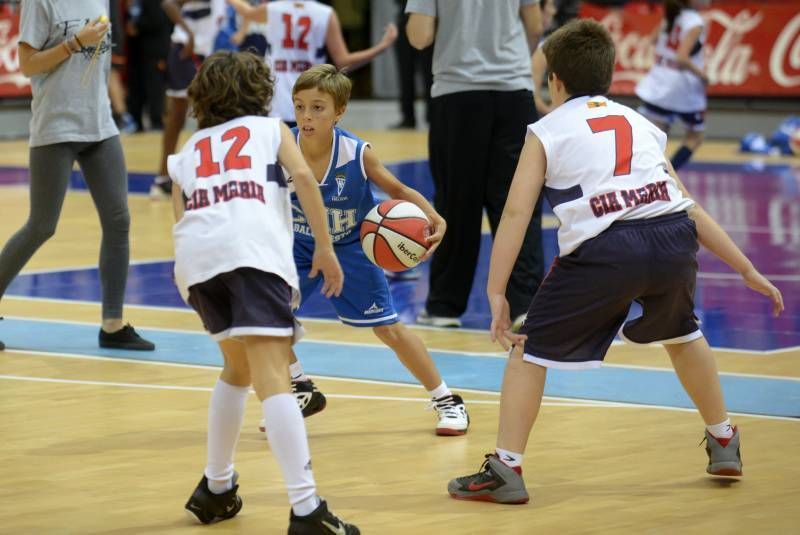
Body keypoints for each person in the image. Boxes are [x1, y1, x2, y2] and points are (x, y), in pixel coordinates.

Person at [447, 19, 785, 504]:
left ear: (555, 81)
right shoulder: (641, 123)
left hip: (607, 249)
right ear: (609, 76)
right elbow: (685, 203)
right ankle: (724, 437)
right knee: (683, 333)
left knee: (526, 348)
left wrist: (497, 291)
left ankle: (506, 468)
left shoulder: (545, 130)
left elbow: (517, 211)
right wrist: (745, 267)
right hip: (673, 239)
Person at [170, 50, 359, 534]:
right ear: (259, 93)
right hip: (250, 252)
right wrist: (324, 246)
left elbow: (182, 212)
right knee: (275, 377)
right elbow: (302, 177)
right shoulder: (269, 129)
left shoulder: (189, 148)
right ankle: (306, 509)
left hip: (196, 261)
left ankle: (215, 488)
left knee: (236, 369)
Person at [260, 63, 469, 436]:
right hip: (300, 249)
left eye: (318, 107)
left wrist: (434, 215)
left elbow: (399, 191)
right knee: (264, 318)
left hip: (352, 249)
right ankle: (301, 387)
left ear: (339, 111)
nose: (306, 116)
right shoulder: (281, 146)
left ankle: (447, 400)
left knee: (388, 329)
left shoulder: (355, 152)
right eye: (300, 106)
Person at [1, 0, 155, 352]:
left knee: (119, 220)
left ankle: (112, 325)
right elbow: (27, 65)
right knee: (41, 225)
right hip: (55, 126)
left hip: (100, 126)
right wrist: (74, 43)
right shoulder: (41, 2)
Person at [406, 0, 545, 329]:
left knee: (456, 202)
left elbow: (419, 36)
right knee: (517, 202)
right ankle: (525, 305)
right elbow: (535, 25)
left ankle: (444, 306)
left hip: (458, 91)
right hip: (514, 90)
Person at [226, 0, 398, 127]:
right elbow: (344, 62)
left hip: (278, 103)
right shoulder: (326, 13)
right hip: (315, 101)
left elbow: (246, 11)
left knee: (281, 168)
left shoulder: (273, 9)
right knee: (312, 167)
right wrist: (381, 47)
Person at [151, 0, 226, 198]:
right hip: (187, 51)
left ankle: (205, 176)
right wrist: (189, 34)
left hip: (209, 53)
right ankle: (162, 178)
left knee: (210, 116)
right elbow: (168, 4)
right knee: (179, 115)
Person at [635, 0, 710, 171]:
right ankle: (670, 173)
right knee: (695, 136)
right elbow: (681, 58)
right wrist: (703, 76)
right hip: (682, 87)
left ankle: (647, 174)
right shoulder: (695, 22)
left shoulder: (671, 16)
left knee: (655, 137)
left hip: (658, 82)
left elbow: (652, 40)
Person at [125, 0, 172, 132]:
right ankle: (136, 122)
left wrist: (137, 26)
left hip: (155, 51)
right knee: (136, 88)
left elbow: (158, 20)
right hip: (137, 52)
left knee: (155, 88)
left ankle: (156, 123)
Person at [392, 0, 432, 129]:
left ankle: (432, 116)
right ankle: (408, 117)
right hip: (406, 20)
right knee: (405, 73)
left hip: (428, 22)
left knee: (429, 73)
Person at [530, 0, 557, 117]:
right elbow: (533, 98)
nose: (553, 11)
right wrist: (554, 115)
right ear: (538, 10)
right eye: (550, 6)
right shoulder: (540, 49)